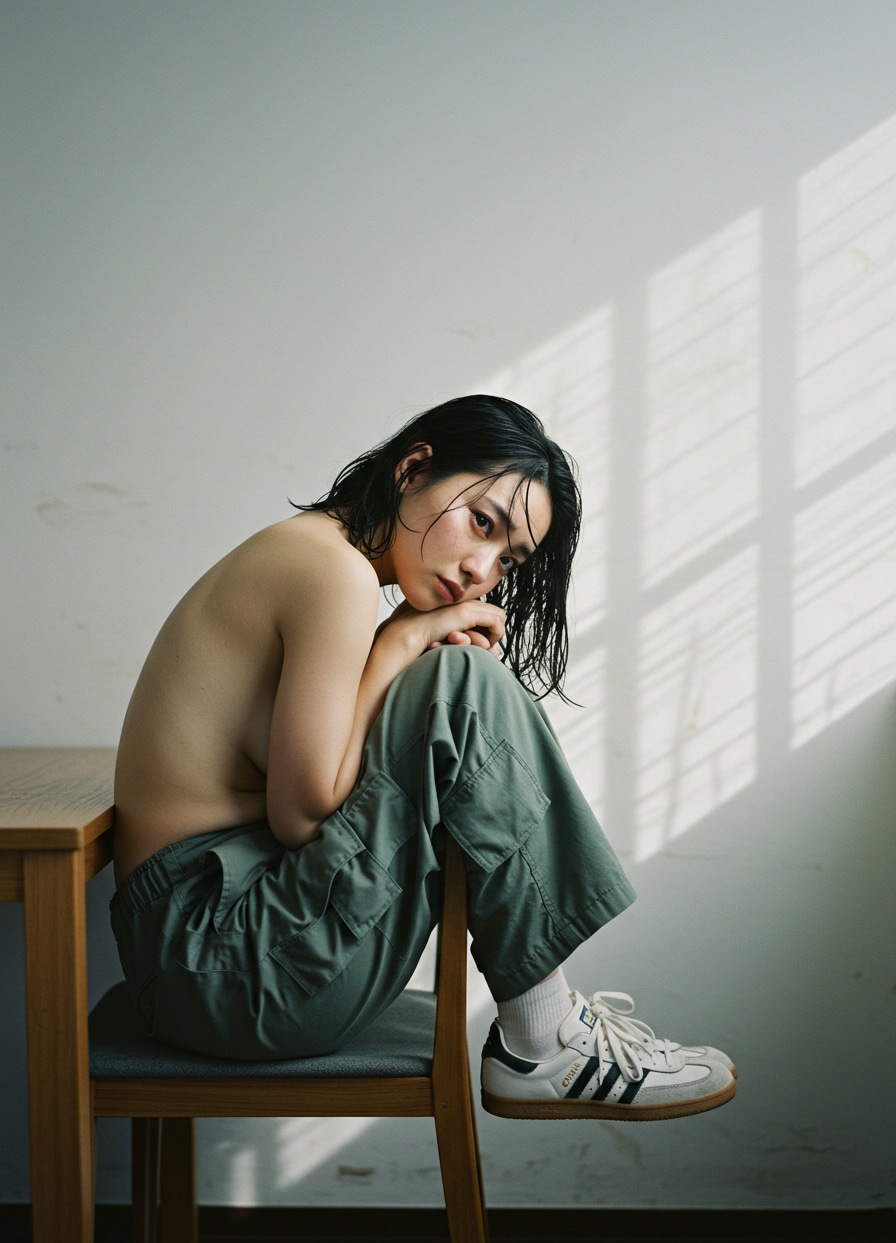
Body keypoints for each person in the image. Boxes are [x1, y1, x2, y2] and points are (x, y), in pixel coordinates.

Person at [111, 394, 736, 1121]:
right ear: (413, 470)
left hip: (209, 954)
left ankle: (544, 1030)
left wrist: (405, 644)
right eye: (482, 523)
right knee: (461, 682)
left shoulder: (309, 553)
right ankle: (544, 1036)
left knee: (452, 685)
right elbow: (301, 814)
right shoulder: (331, 569)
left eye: (508, 559)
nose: (481, 569)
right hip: (218, 964)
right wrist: (402, 639)